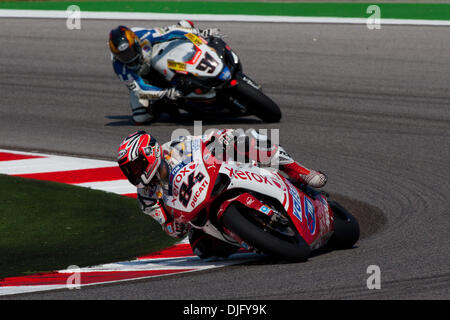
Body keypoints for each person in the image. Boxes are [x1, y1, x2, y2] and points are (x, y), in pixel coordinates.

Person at [117, 129, 327, 259]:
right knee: (202, 249)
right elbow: (168, 227)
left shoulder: (175, 146)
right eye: (129, 170)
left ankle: (299, 171)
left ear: (151, 153)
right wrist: (174, 226)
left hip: (217, 176)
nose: (134, 173)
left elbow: (204, 140)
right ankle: (249, 236)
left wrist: (220, 139)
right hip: (197, 215)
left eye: (136, 166)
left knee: (247, 140)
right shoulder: (146, 197)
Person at [108, 21, 221, 124]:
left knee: (184, 25)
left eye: (130, 52)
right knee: (140, 118)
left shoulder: (143, 36)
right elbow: (140, 90)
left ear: (136, 43)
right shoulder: (120, 67)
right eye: (123, 55)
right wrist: (165, 93)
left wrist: (200, 33)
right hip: (142, 78)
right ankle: (161, 105)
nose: (128, 57)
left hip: (155, 55)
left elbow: (170, 31)